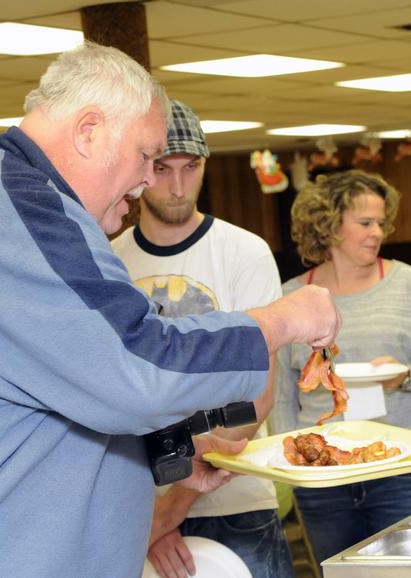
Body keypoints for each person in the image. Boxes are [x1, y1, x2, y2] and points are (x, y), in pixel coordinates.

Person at [0, 42, 341, 578]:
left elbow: (73, 385)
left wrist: (169, 448)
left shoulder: (10, 194)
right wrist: (282, 320)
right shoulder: (22, 207)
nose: (150, 180)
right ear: (88, 132)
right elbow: (141, 362)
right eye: (147, 157)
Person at [112, 100, 294, 578]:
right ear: (139, 170)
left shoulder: (244, 253)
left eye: (190, 167)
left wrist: (172, 506)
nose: (176, 186)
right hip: (134, 514)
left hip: (235, 505)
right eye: (162, 168)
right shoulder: (108, 261)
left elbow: (257, 395)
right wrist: (151, 517)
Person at [272, 169, 411, 567]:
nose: (378, 232)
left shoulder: (408, 284)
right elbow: (283, 396)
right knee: (342, 573)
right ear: (329, 226)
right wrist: (295, 468)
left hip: (405, 469)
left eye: (381, 222)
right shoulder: (292, 296)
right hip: (325, 476)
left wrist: (406, 375)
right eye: (365, 223)